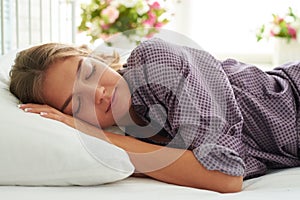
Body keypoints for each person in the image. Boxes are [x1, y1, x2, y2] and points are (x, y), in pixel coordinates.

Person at [9, 38, 300, 193]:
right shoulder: (132, 132)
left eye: (88, 71)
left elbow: (225, 177)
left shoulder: (156, 61)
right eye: (76, 101)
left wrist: (93, 133)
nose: (97, 92)